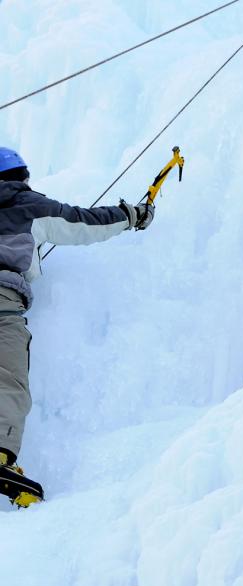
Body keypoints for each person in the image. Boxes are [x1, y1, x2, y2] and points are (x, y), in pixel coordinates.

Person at [0, 146, 153, 507]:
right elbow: (83, 222)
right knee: (7, 378)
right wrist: (131, 215)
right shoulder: (28, 205)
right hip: (2, 302)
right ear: (20, 177)